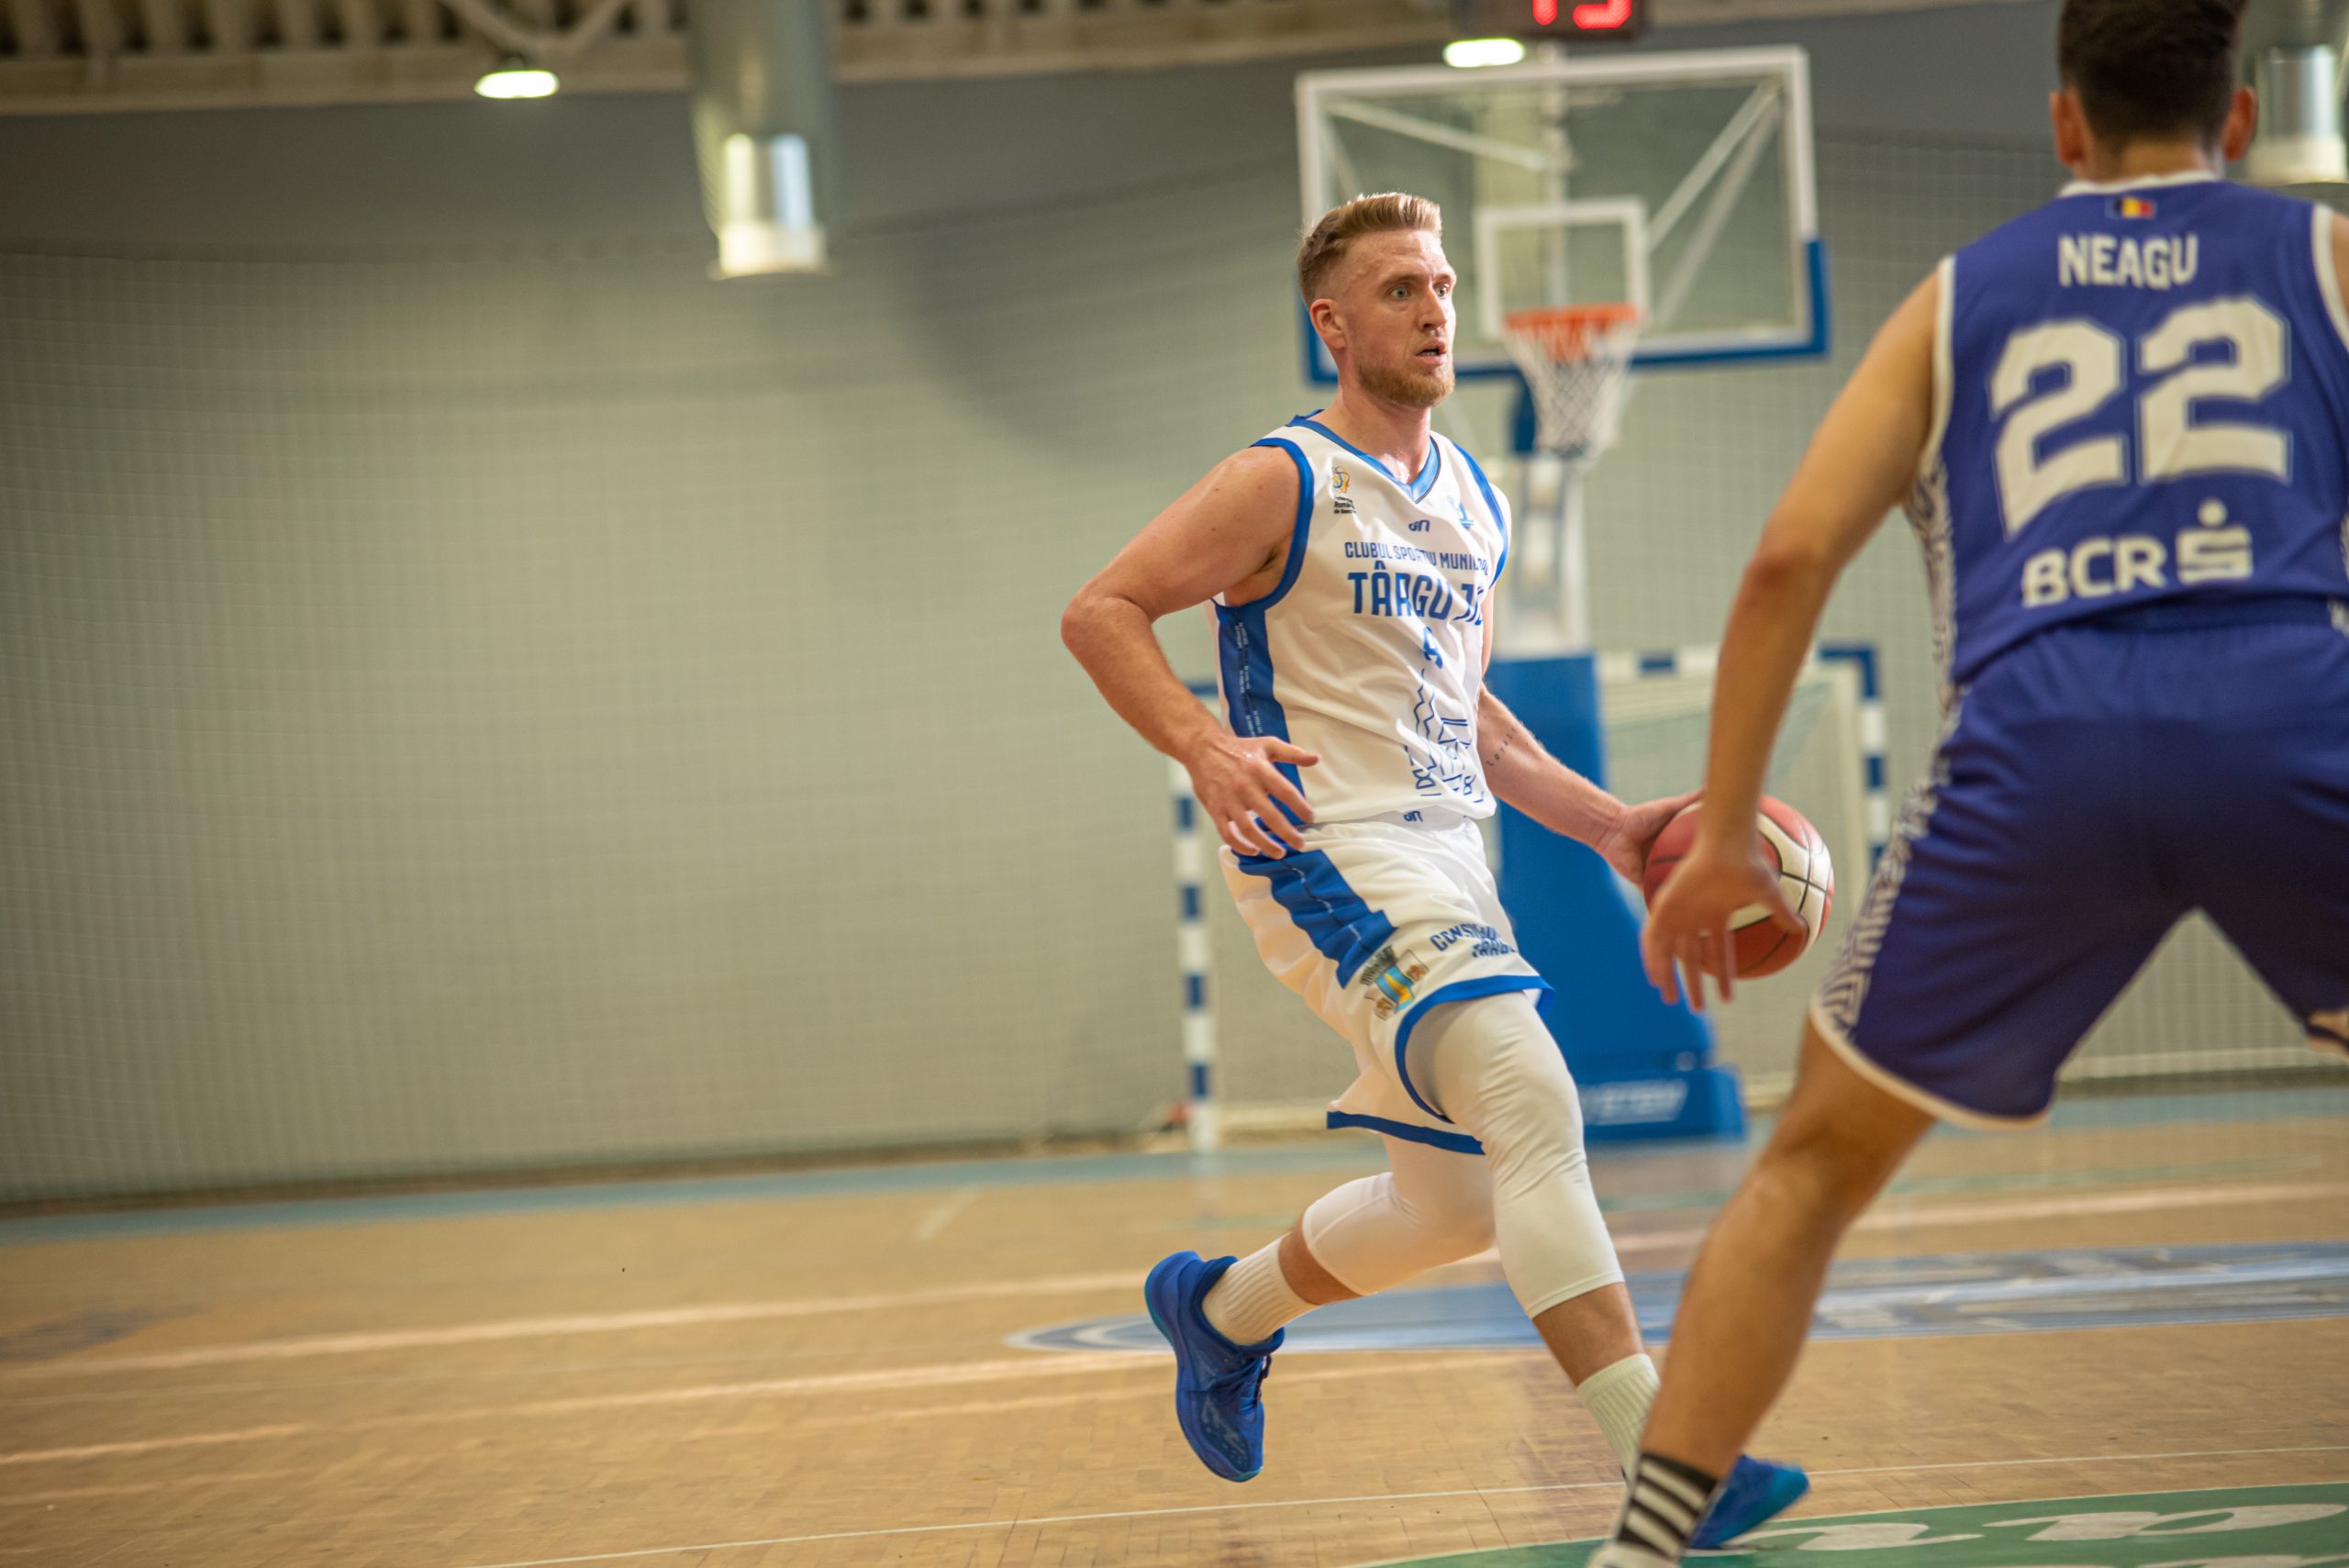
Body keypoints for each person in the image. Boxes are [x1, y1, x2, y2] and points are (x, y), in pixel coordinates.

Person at [1606, 3, 2349, 1563]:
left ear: (2065, 125)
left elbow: (1786, 560)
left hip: (2039, 738)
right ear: (2238, 120)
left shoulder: (1959, 299)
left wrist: (1726, 832)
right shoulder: (2325, 257)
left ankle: (1645, 1543)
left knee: (1810, 1168)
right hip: (2287, 705)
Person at [1061, 192, 1807, 1544]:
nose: (1435, 309)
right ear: (1333, 325)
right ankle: (1669, 1463)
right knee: (1531, 1095)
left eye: (1443, 285)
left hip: (1453, 857)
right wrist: (1203, 745)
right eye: (1400, 288)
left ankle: (1219, 1312)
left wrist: (1613, 826)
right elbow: (1100, 608)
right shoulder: (1283, 478)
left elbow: (1471, 716)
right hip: (1326, 848)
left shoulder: (1471, 496)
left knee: (1454, 1200)